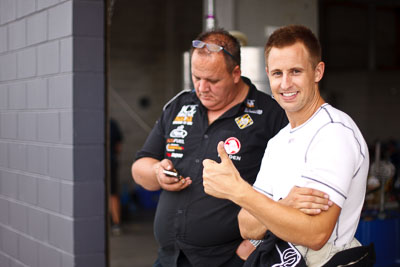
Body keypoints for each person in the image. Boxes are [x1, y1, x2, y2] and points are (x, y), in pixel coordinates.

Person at [203, 25, 372, 266]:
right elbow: (246, 226)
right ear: (267, 74)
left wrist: (238, 191)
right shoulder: (278, 141)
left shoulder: (334, 132)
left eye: (295, 71)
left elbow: (315, 234)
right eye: (277, 73)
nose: (285, 84)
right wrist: (284, 203)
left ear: (317, 71)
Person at [131, 28, 294, 267]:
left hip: (229, 260)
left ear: (236, 73)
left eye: (213, 80)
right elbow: (139, 168)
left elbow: (292, 190)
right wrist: (157, 172)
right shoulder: (179, 106)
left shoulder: (270, 115)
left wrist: (255, 245)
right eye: (196, 77)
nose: (202, 88)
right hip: (170, 258)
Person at [110, 118, 123, 235]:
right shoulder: (112, 123)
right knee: (113, 194)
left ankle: (116, 223)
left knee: (113, 194)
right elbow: (118, 147)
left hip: (109, 163)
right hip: (110, 162)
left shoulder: (111, 124)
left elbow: (118, 146)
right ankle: (116, 223)